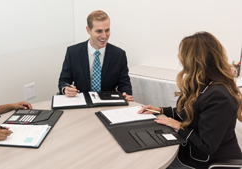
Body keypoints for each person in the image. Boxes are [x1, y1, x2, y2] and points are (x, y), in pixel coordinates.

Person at [138, 32, 242, 169]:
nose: (180, 58)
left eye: (183, 55)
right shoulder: (203, 83)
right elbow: (191, 113)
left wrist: (178, 126)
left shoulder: (219, 96)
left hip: (207, 161)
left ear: (195, 60)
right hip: (189, 150)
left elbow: (206, 146)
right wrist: (161, 110)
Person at [58, 10, 134, 101]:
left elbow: (124, 84)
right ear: (88, 30)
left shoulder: (119, 54)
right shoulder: (73, 52)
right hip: (82, 102)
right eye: (99, 31)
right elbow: (64, 81)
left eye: (107, 30)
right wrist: (65, 89)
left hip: (108, 104)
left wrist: (125, 94)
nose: (104, 36)